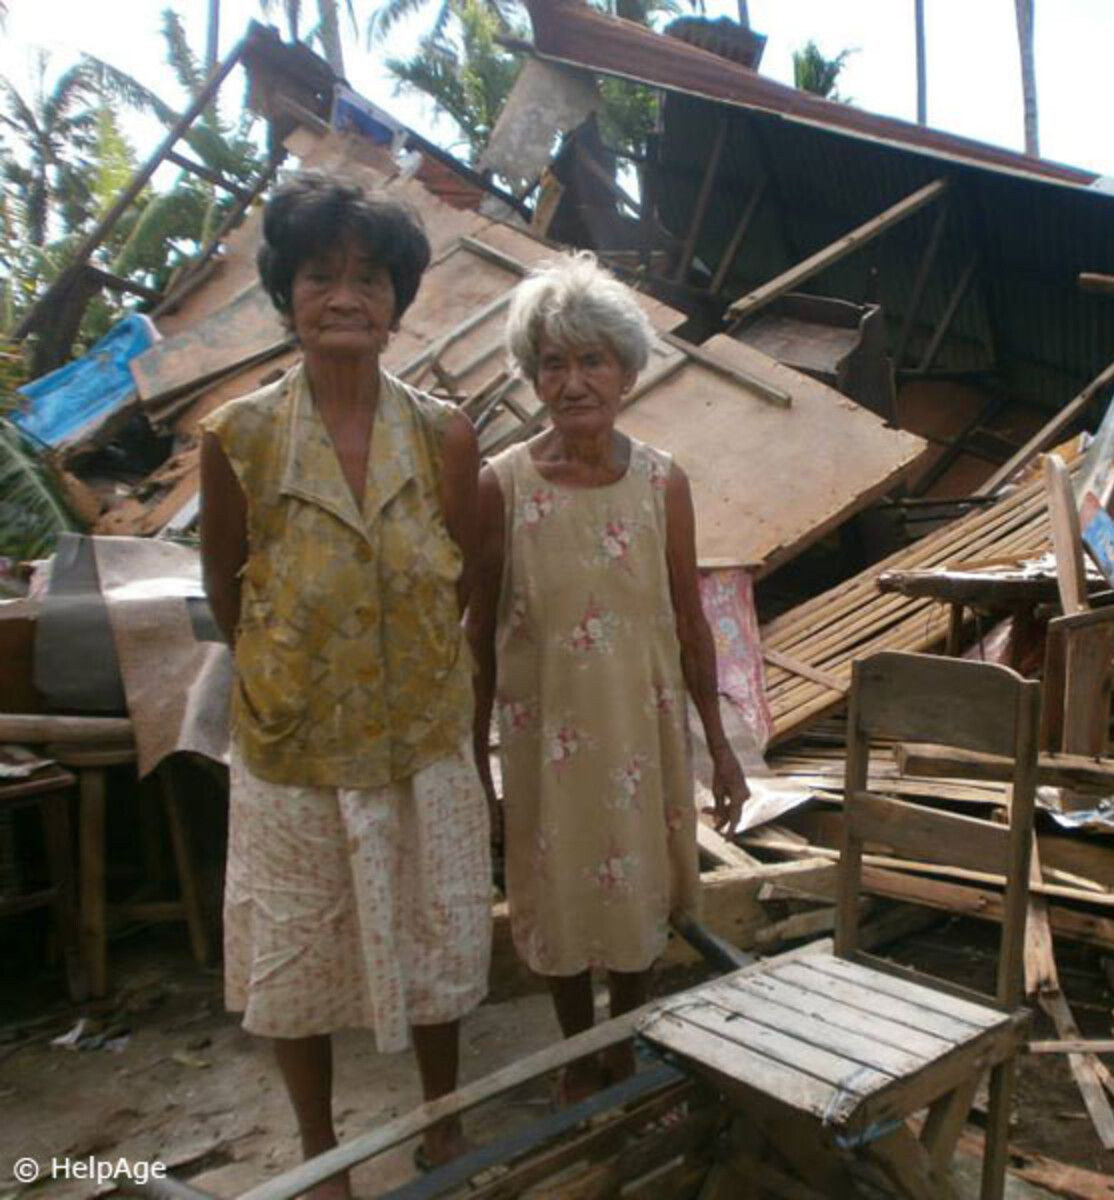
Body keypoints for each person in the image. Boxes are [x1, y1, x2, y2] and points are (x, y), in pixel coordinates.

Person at [199, 173, 492, 1197]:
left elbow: (472, 573)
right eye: (320, 275)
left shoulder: (444, 434)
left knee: (439, 933)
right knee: (295, 952)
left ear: (397, 302)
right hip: (291, 744)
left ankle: (444, 1120)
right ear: (287, 295)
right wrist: (296, 675)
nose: (345, 296)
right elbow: (226, 587)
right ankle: (322, 1152)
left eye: (368, 277)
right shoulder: (237, 435)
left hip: (420, 733)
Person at [471, 252, 749, 1103]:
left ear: (628, 370)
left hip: (641, 732)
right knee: (552, 900)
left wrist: (722, 748)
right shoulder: (502, 486)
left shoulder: (664, 482)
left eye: (593, 359)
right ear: (533, 377)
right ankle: (574, 1051)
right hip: (544, 739)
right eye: (553, 362)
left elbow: (688, 620)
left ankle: (624, 1044)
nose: (574, 380)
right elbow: (477, 633)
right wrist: (471, 763)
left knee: (639, 893)